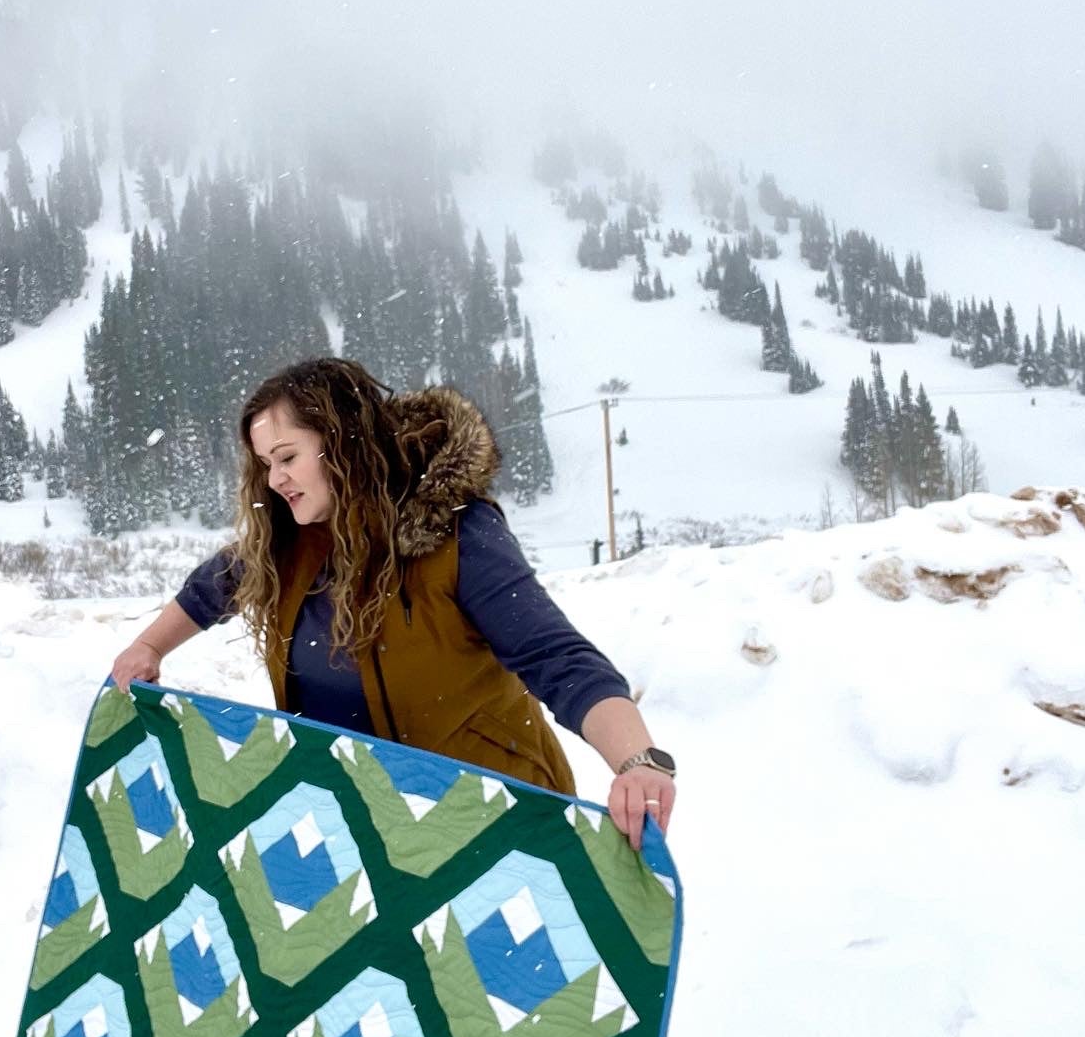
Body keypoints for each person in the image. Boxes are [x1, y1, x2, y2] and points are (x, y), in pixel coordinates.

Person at [112, 359, 675, 850]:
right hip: (367, 826)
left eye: (286, 456)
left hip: (491, 822)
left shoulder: (457, 537)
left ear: (343, 440)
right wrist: (148, 646)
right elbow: (212, 587)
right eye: (264, 463)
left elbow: (557, 658)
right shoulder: (290, 541)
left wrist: (637, 760)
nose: (275, 479)